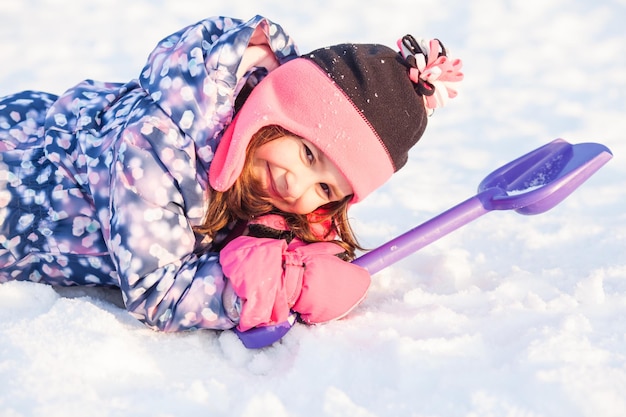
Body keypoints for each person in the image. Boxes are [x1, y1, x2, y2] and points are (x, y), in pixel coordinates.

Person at [0, 15, 463, 343]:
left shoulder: (257, 163)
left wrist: (296, 243)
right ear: (274, 110)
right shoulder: (157, 146)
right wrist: (285, 286)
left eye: (325, 189)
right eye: (305, 152)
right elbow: (158, 291)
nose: (295, 186)